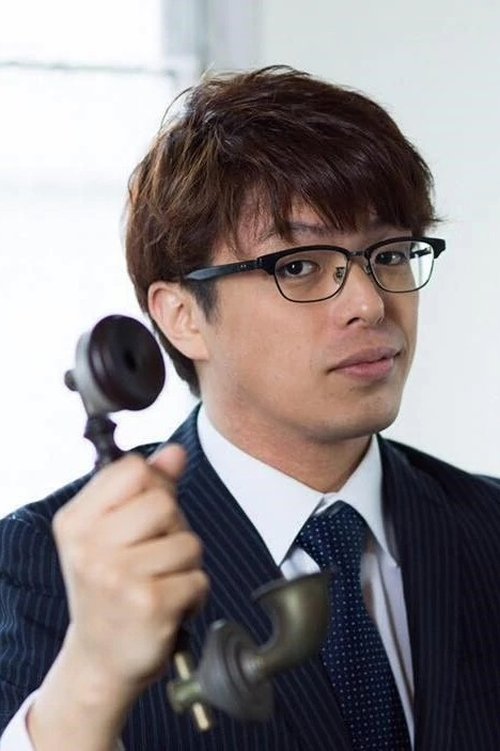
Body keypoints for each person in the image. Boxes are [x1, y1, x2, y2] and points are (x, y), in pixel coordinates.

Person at [1, 65, 499, 751]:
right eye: (298, 266)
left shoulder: (489, 526)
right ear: (181, 316)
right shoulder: (48, 564)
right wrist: (91, 675)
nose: (369, 303)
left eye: (388, 254)